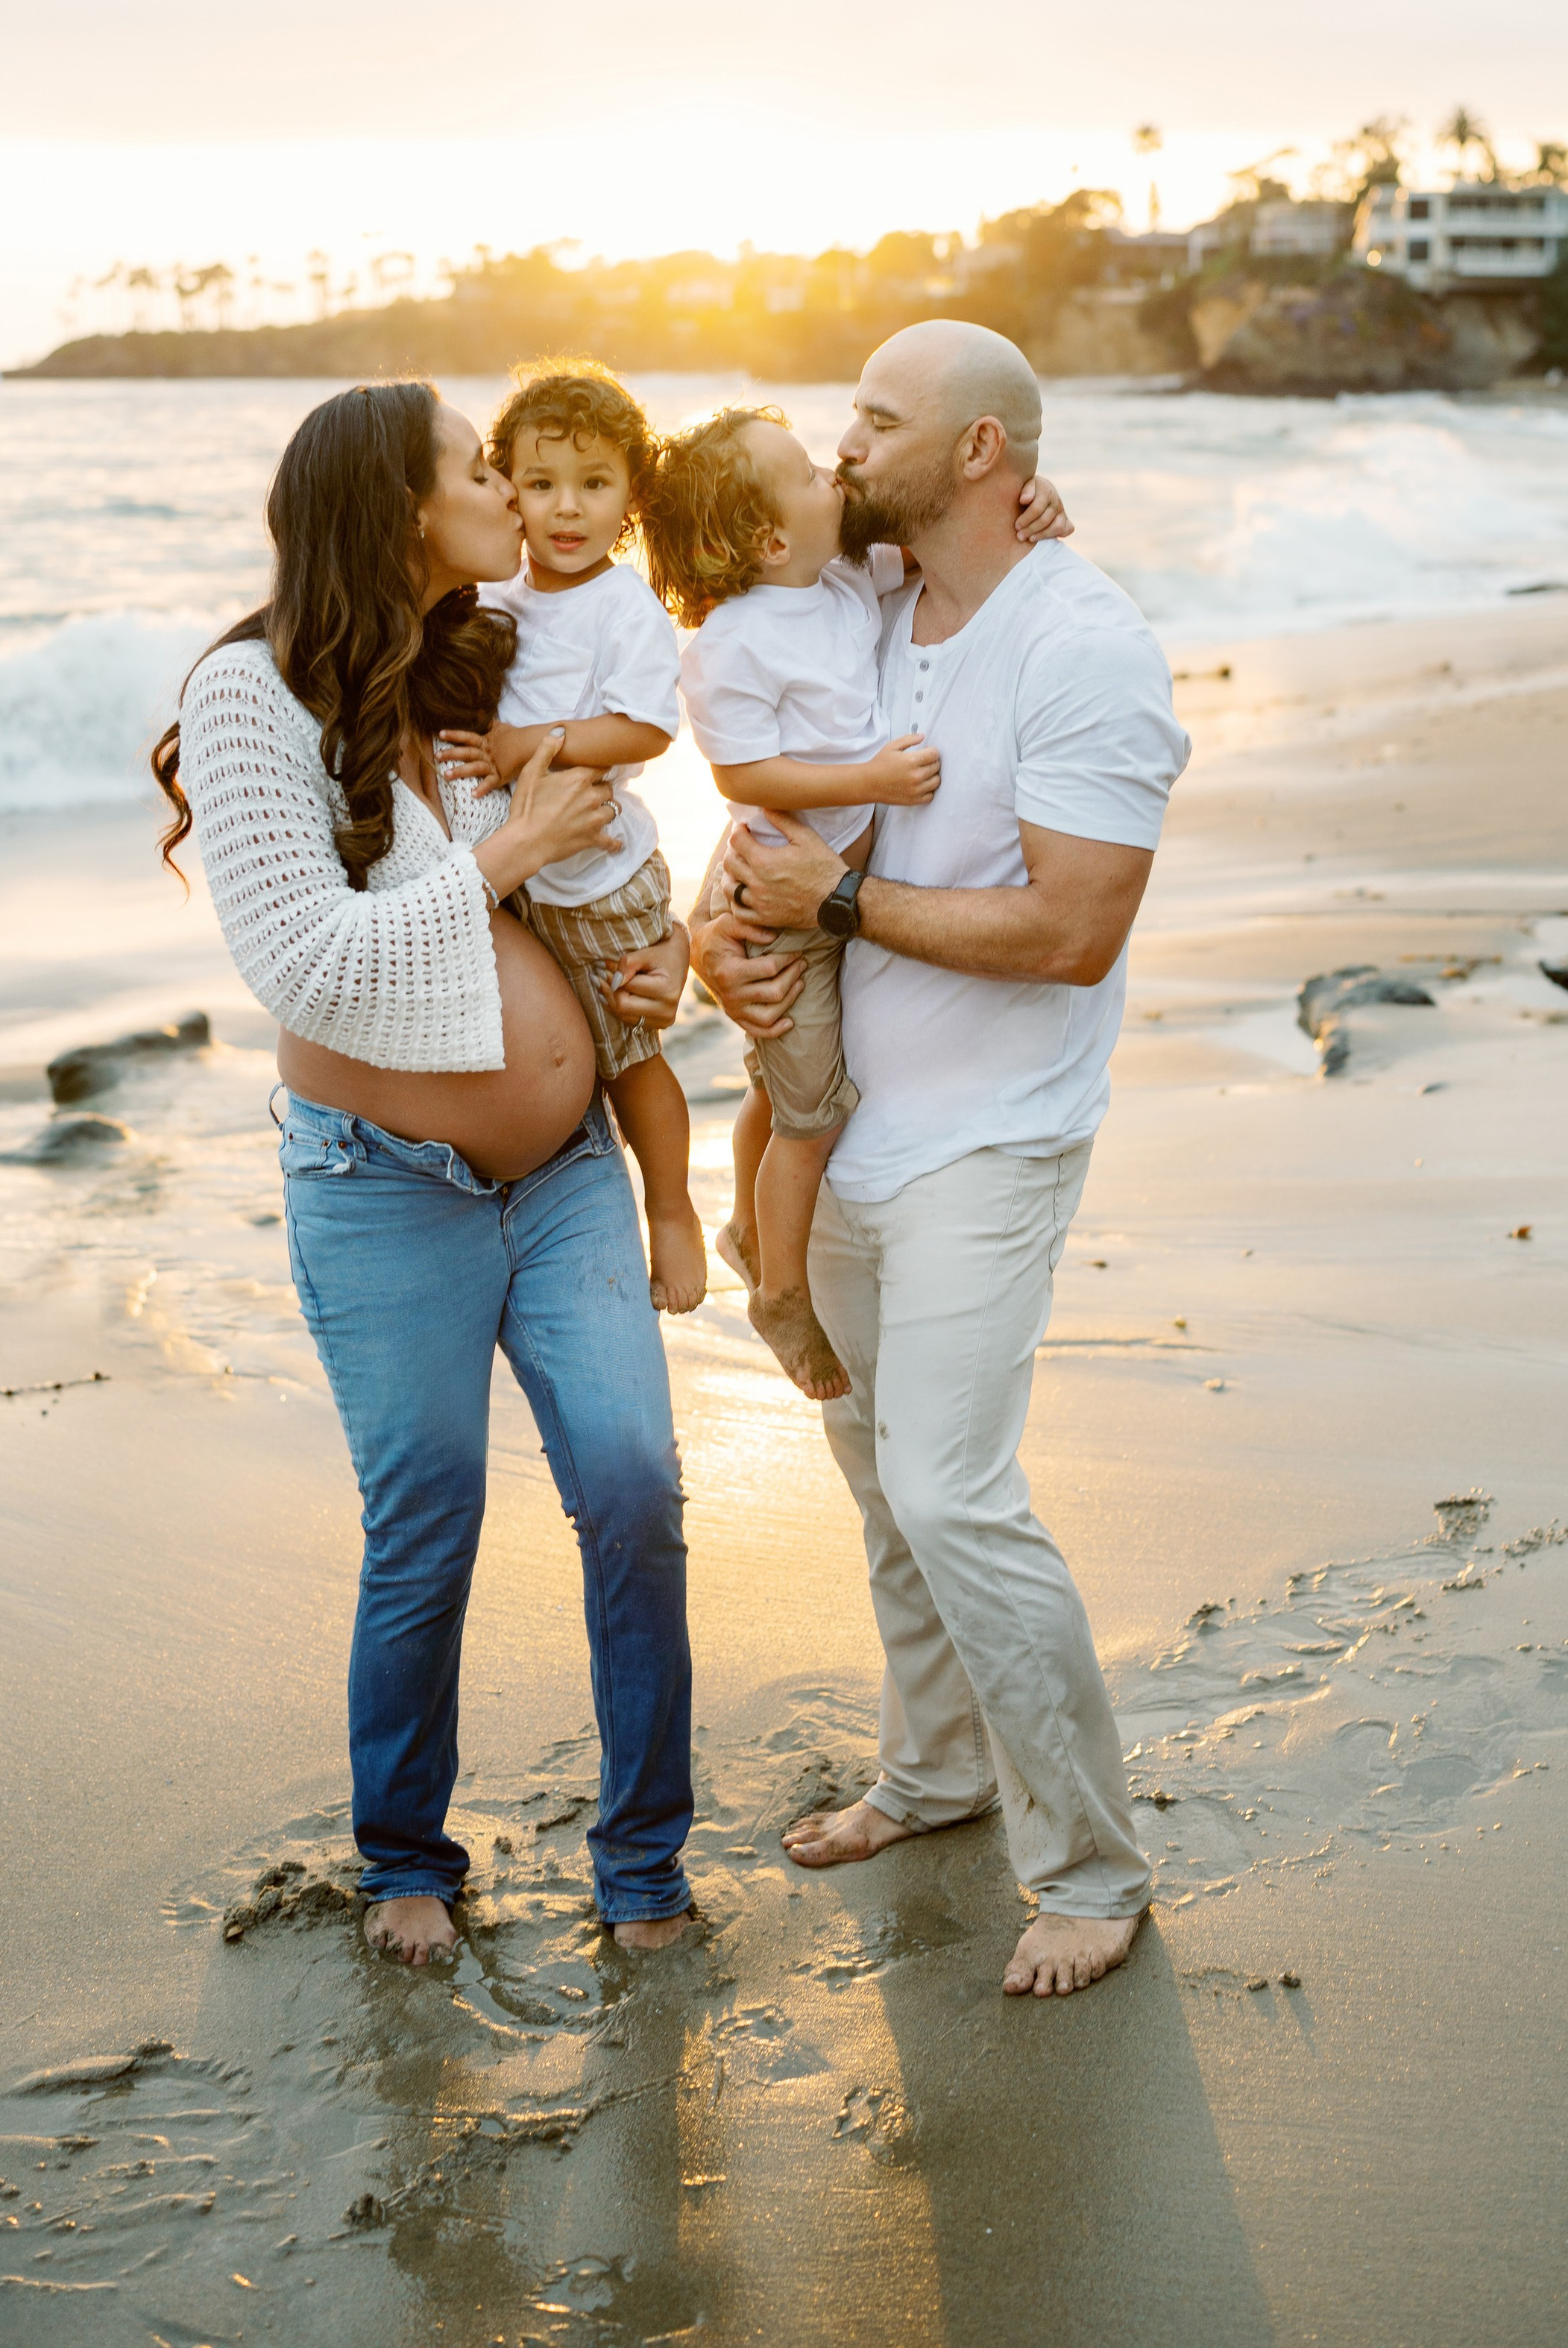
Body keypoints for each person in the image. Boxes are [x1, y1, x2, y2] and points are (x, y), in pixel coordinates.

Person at [154, 380, 697, 1965]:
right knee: (430, 1520)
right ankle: (402, 1857)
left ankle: (645, 1865)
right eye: (476, 469)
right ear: (399, 509)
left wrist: (652, 952)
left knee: (639, 1487)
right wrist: (503, 856)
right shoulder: (251, 696)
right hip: (383, 1186)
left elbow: (694, 642)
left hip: (570, 1169)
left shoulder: (487, 654)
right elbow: (306, 967)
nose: (509, 494)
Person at [690, 321, 1191, 2000]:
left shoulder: (1085, 645)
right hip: (846, 1145)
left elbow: (1070, 928)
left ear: (981, 451)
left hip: (994, 1139)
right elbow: (768, 804)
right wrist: (722, 929)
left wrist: (831, 907)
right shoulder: (874, 602)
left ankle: (1091, 1868)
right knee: (875, 1485)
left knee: (951, 1490)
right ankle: (935, 1775)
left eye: (876, 419)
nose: (841, 446)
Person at [645, 400, 1070, 1402]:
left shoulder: (846, 579)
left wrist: (1037, 499)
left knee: (777, 1081)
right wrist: (870, 784)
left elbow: (940, 553)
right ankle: (781, 1295)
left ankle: (752, 1228)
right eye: (806, 472)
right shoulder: (733, 642)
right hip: (783, 886)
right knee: (811, 1117)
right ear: (767, 538)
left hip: (817, 870)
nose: (835, 470)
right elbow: (743, 777)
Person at [438, 361, 708, 1315]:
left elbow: (644, 728)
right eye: (542, 482)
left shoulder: (620, 606)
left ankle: (670, 1208)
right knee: (572, 1050)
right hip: (526, 880)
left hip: (598, 873)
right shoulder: (496, 596)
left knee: (630, 1058)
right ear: (504, 481)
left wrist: (527, 746)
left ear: (631, 498)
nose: (566, 509)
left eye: (595, 485)